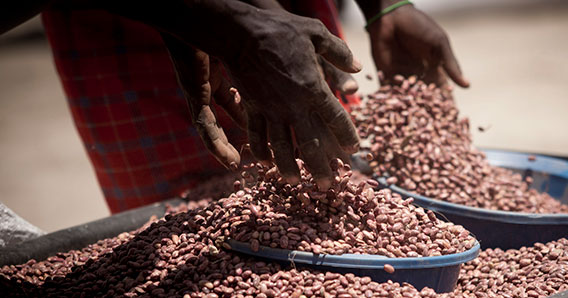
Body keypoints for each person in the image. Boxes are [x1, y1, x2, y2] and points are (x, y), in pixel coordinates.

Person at [1, 0, 468, 212]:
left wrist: (383, 4)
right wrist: (230, 28)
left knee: (329, 164)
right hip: (139, 25)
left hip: (285, 21)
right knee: (181, 217)